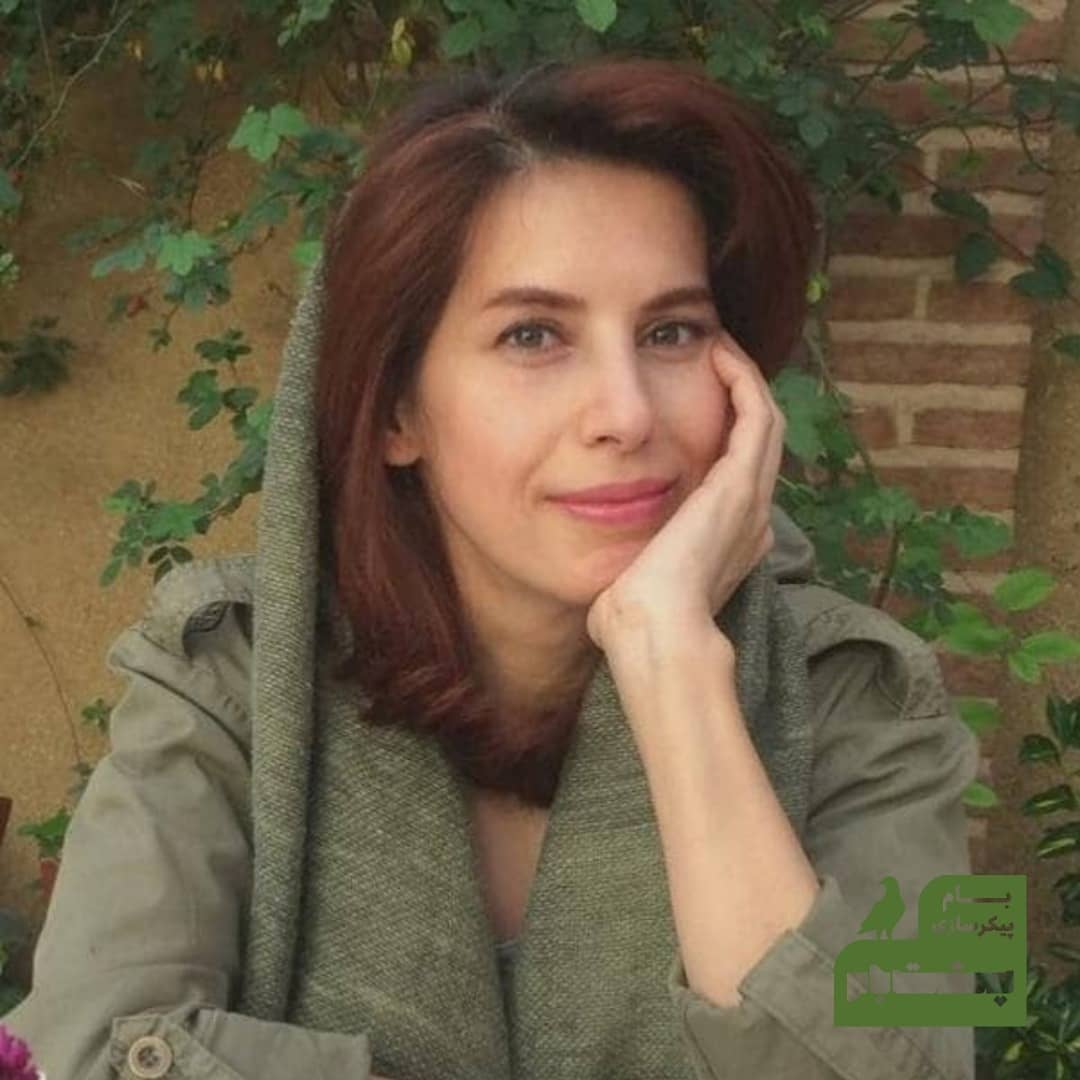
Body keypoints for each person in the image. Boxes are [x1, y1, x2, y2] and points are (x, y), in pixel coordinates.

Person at [4, 55, 979, 1079]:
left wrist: (674, 667)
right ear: (396, 410)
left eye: (672, 331)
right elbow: (79, 1051)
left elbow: (932, 1058)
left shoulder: (883, 693)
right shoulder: (214, 666)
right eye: (533, 336)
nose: (626, 413)